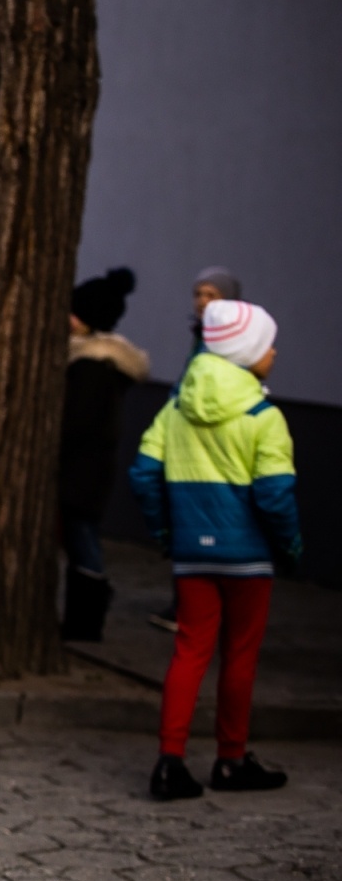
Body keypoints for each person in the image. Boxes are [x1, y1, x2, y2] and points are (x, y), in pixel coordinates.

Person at [130, 300, 300, 801]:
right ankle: (231, 759)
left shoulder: (175, 407)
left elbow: (143, 473)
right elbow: (274, 494)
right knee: (240, 656)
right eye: (268, 344)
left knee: (189, 650)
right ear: (248, 353)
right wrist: (288, 547)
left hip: (191, 553)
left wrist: (168, 533)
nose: (274, 352)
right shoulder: (263, 416)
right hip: (248, 557)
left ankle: (169, 761)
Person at [150, 265, 244, 633]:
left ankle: (201, 608)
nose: (203, 302)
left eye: (212, 295)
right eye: (199, 294)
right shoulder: (200, 336)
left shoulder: (229, 343)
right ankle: (188, 605)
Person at [59, 268, 149, 641]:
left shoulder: (91, 366)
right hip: (89, 469)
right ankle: (86, 613)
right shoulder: (104, 363)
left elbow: (75, 423)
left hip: (80, 470)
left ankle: (85, 618)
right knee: (82, 539)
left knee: (82, 540)